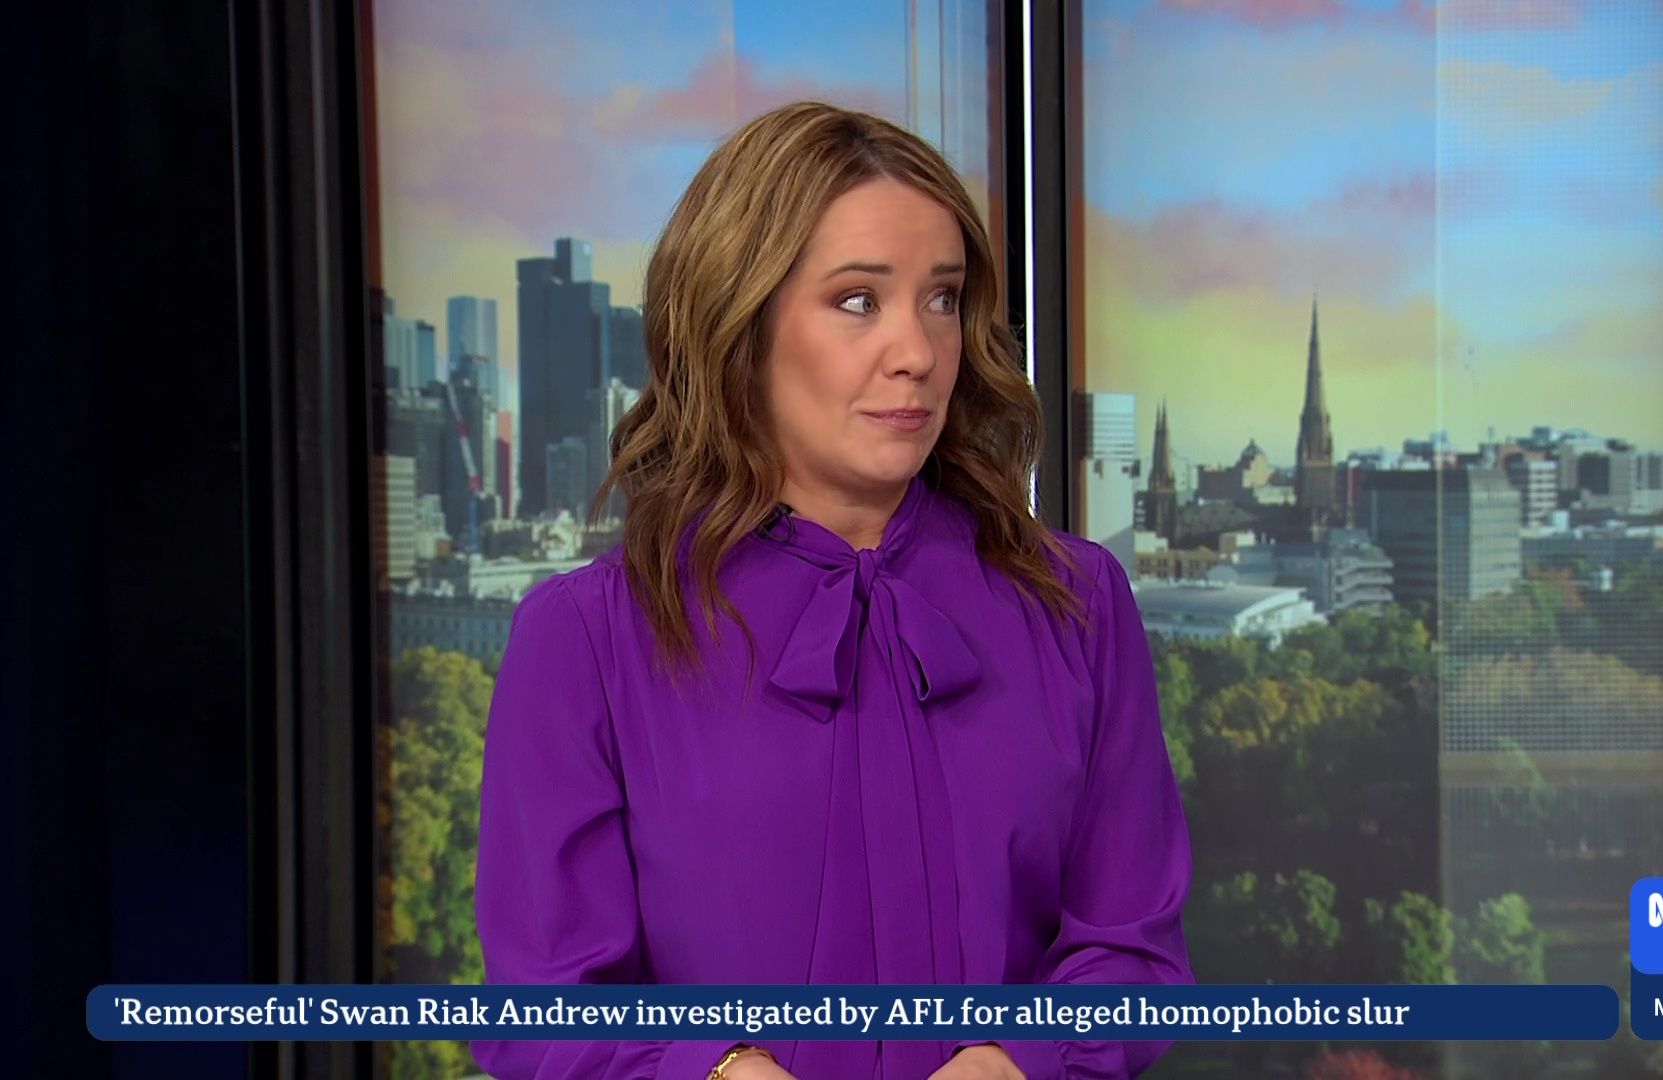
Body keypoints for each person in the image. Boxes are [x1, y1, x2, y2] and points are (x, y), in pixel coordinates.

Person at [470, 100, 1194, 1080]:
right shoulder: (585, 641)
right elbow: (543, 1012)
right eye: (858, 300)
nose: (918, 352)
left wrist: (1020, 1061)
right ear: (740, 324)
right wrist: (711, 1073)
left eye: (942, 299)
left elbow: (1136, 952)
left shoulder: (1078, 601)